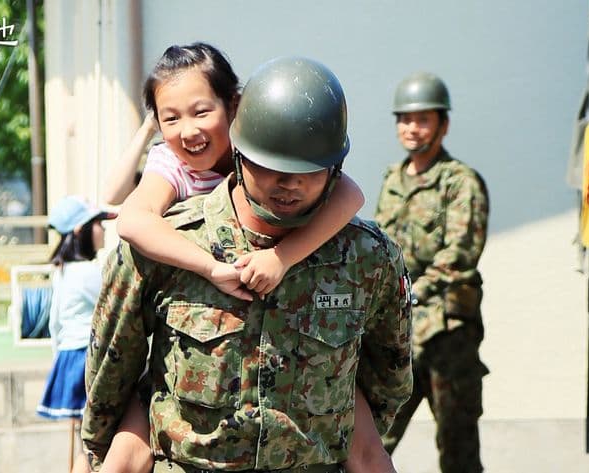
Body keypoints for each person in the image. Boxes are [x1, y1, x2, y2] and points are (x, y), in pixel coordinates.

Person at [82, 56, 413, 473]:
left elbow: (388, 382)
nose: (290, 183)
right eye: (272, 166)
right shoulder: (165, 248)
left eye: (309, 170)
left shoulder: (368, 259)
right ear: (240, 152)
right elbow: (110, 380)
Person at [115, 42, 365, 302]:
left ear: (233, 105)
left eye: (201, 112)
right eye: (171, 119)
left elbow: (350, 195)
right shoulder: (172, 163)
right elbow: (133, 220)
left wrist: (283, 258)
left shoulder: (255, 148)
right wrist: (209, 267)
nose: (188, 132)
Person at [374, 72, 490, 473]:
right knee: (374, 438)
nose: (411, 128)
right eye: (405, 119)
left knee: (457, 445)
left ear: (443, 124)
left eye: (423, 119)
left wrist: (416, 290)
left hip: (445, 336)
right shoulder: (392, 179)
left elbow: (461, 251)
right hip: (396, 336)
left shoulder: (460, 183)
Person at [36, 195, 114, 473]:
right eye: (97, 224)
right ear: (81, 231)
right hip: (88, 357)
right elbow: (118, 305)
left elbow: (54, 323)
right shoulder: (87, 273)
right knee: (95, 445)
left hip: (69, 357)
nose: (103, 230)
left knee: (85, 440)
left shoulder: (64, 271)